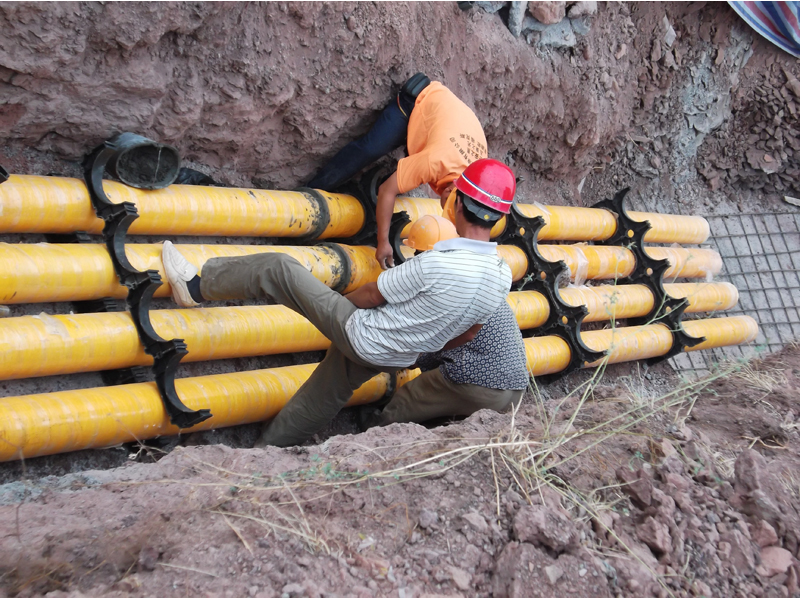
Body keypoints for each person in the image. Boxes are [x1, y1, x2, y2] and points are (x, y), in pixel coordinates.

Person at [161, 158, 516, 448]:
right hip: (395, 356)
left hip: (362, 333)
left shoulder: (438, 263)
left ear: (456, 202)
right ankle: (266, 452)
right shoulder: (501, 276)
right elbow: (468, 335)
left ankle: (194, 286)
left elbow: (371, 295)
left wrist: (333, 307)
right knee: (324, 396)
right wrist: (417, 343)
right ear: (498, 217)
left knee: (278, 268)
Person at [360, 215, 529, 429]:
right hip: (515, 392)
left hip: (479, 383)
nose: (418, 259)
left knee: (412, 395)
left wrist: (414, 358)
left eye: (420, 253)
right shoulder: (477, 280)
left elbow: (438, 339)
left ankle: (378, 427)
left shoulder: (446, 285)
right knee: (445, 417)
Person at [306, 73, 488, 271]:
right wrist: (383, 241)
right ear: (449, 192)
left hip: (447, 116)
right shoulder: (434, 162)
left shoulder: (480, 177)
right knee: (370, 149)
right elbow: (386, 191)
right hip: (418, 99)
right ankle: (310, 193)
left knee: (404, 178)